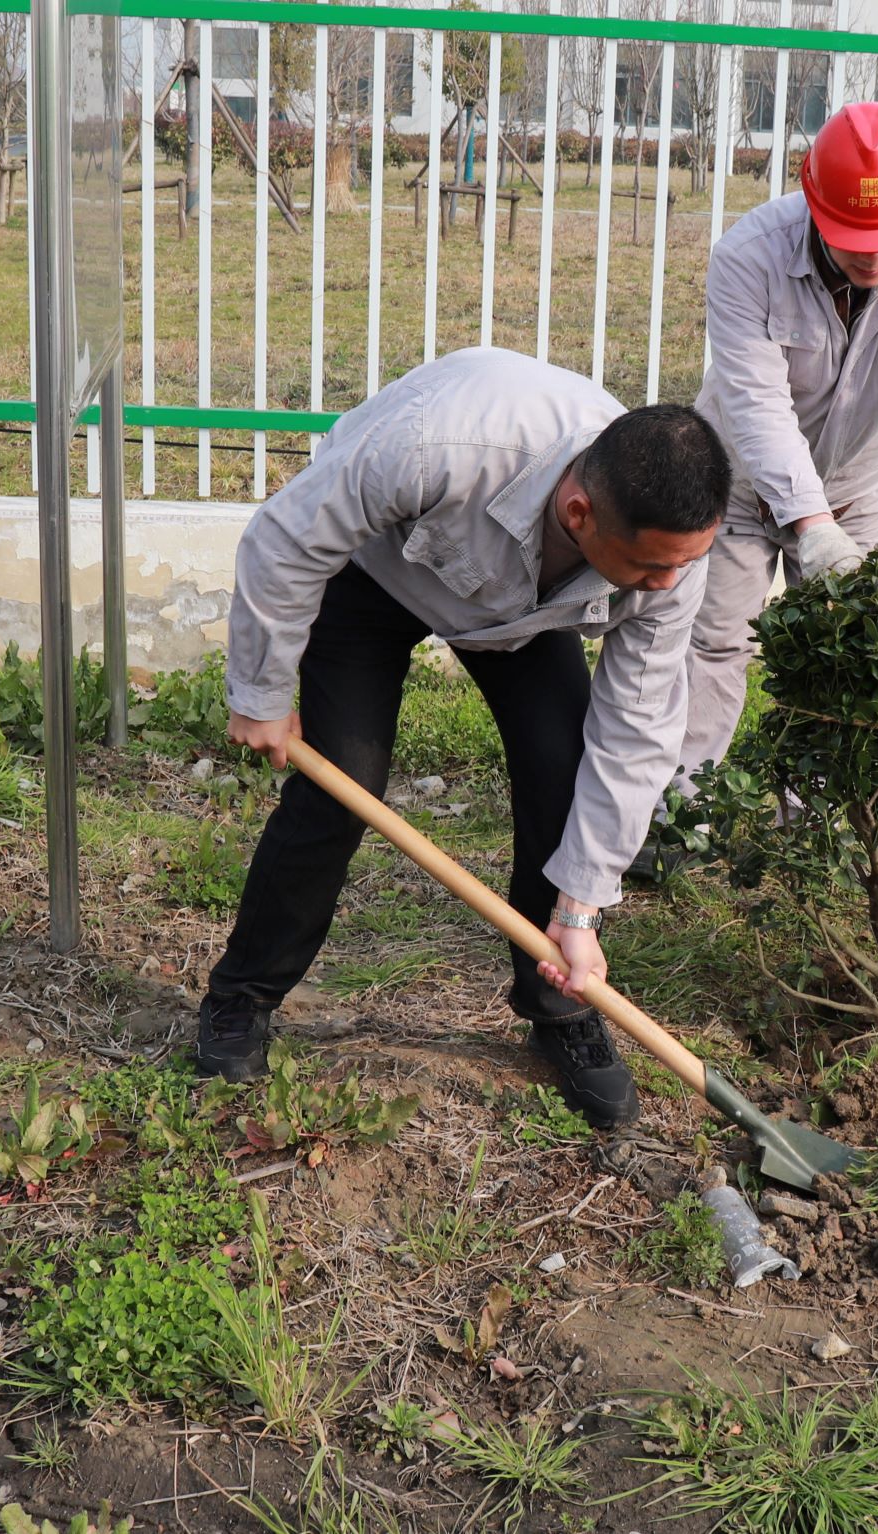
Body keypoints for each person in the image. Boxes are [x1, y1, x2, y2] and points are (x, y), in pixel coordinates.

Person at [194, 346, 733, 1131]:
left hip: (523, 615)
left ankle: (557, 1000)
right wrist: (262, 691)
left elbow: (637, 733)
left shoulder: (672, 557)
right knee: (341, 787)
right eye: (650, 568)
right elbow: (286, 540)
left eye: (682, 565)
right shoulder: (439, 445)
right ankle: (242, 996)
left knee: (566, 768)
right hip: (373, 576)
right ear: (581, 513)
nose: (667, 586)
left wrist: (580, 912)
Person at [663, 101, 878, 826]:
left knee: (849, 656)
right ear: (813, 205)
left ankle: (818, 819)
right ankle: (678, 815)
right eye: (855, 244)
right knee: (713, 645)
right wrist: (808, 523)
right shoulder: (749, 256)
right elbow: (754, 401)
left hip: (859, 491)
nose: (874, 261)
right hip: (739, 486)